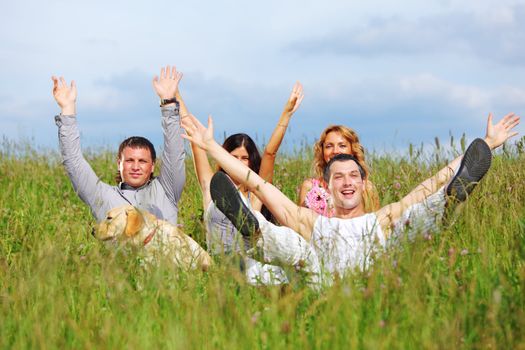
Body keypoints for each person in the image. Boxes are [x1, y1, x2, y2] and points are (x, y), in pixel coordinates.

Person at [181, 112, 520, 286]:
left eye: (353, 176)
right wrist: (211, 148)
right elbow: (257, 182)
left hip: (372, 261)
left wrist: (485, 146)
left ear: (362, 183)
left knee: (418, 214)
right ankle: (253, 229)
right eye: (338, 177)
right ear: (326, 188)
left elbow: (428, 184)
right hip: (320, 269)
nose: (346, 181)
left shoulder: (380, 218)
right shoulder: (314, 222)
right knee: (291, 245)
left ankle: (449, 204)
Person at [177, 83, 303, 284]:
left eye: (244, 158)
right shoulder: (212, 186)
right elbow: (194, 137)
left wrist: (285, 116)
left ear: (251, 161)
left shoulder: (256, 193)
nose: (238, 162)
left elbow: (270, 153)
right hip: (220, 266)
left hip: (252, 267)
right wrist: (175, 95)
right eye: (233, 156)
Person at [52, 65, 186, 225]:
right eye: (129, 160)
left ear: (152, 166)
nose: (136, 167)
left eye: (142, 161)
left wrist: (168, 104)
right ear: (119, 164)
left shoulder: (167, 189)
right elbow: (73, 162)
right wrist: (68, 110)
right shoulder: (102, 196)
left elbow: (174, 150)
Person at [297, 125, 380, 216]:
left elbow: (375, 224)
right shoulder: (309, 187)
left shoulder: (367, 188)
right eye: (329, 146)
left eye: (342, 146)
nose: (335, 151)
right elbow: (301, 224)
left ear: (352, 150)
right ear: (322, 151)